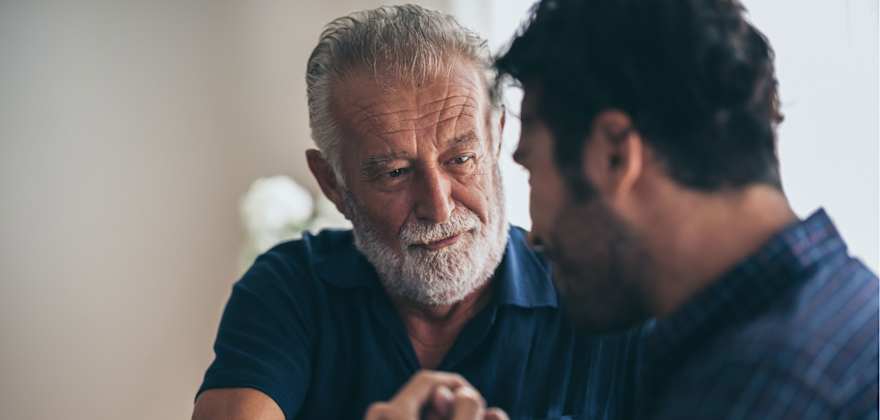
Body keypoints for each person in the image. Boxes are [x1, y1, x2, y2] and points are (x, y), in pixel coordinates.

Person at [373, 0, 879, 418]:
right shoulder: (848, 309)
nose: (536, 235)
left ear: (615, 154)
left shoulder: (760, 389)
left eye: (533, 172)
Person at [192, 5, 641, 420]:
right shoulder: (290, 288)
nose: (438, 205)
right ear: (332, 184)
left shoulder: (604, 300)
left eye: (461, 159)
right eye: (395, 172)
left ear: (498, 136)